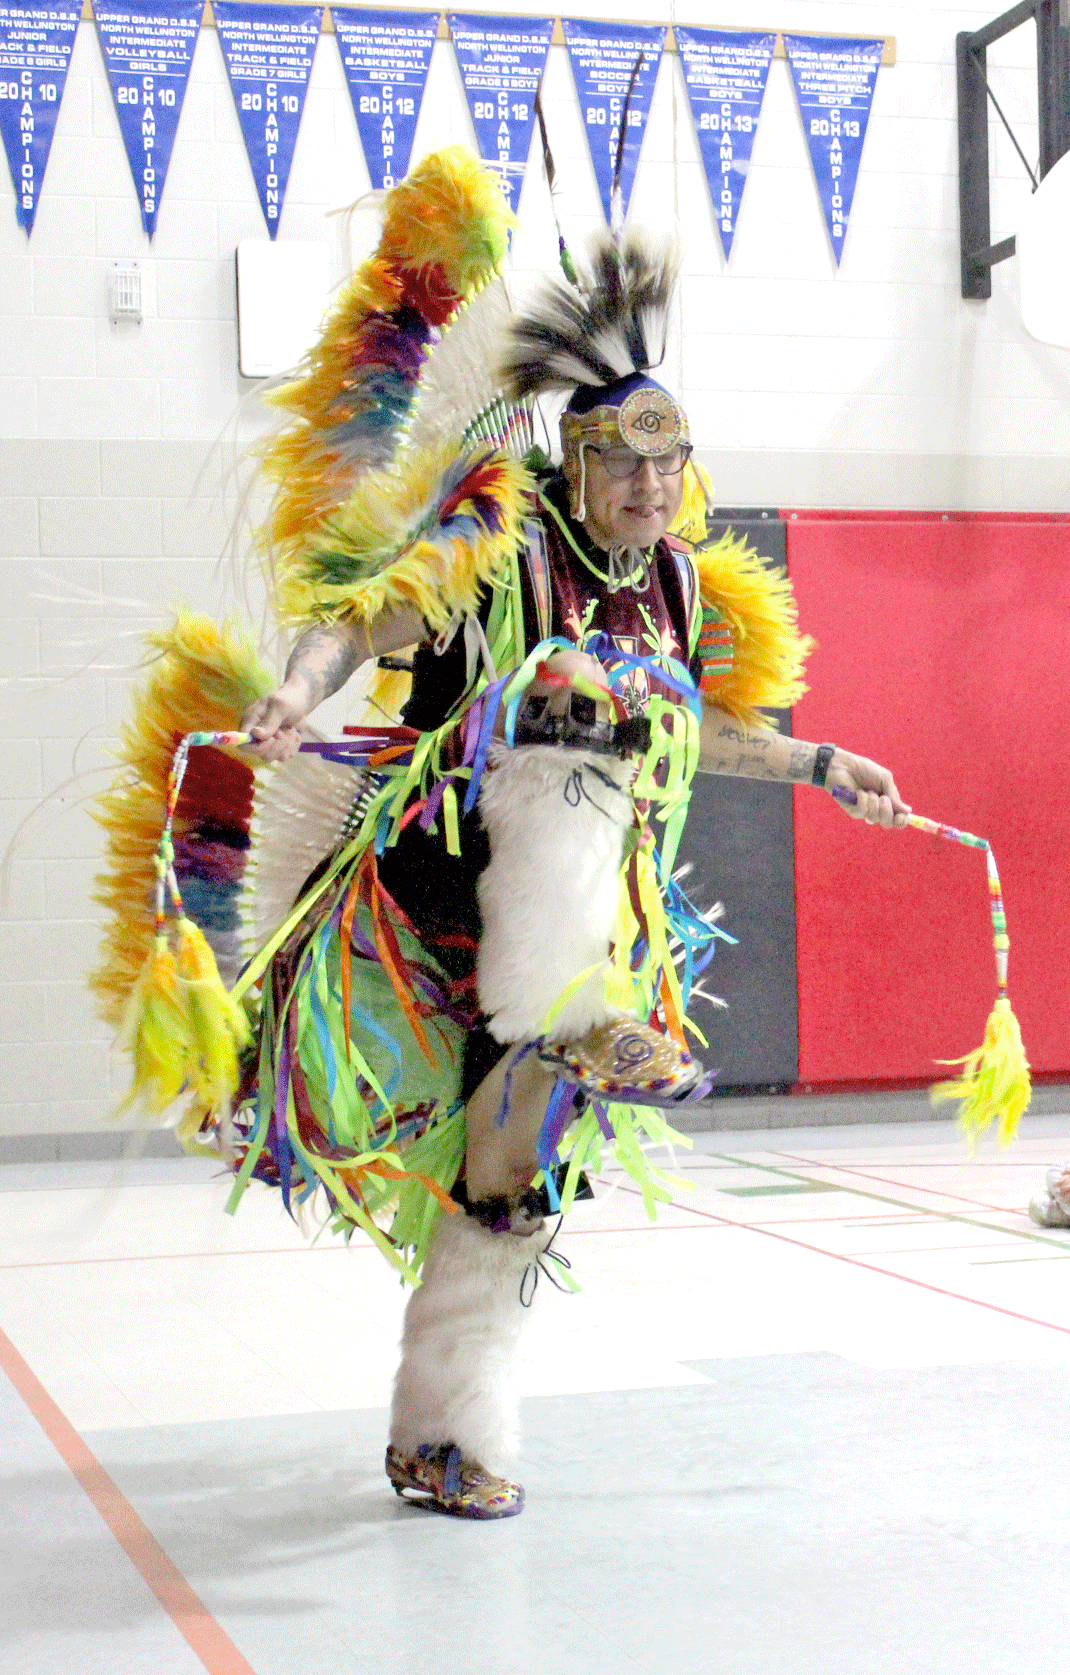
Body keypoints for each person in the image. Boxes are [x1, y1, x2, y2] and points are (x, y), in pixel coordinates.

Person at [93, 148, 909, 1522]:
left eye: (667, 464)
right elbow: (370, 617)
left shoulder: (672, 584)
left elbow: (699, 727)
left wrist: (823, 763)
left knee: (511, 1187)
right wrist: (296, 690)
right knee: (572, 690)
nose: (648, 488)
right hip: (437, 881)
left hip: (565, 911)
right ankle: (578, 1016)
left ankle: (444, 1435)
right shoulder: (502, 538)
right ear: (574, 458)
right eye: (621, 463)